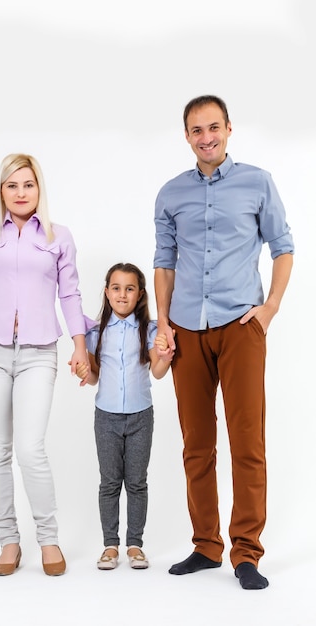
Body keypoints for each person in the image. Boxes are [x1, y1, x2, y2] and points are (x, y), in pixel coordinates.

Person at [153, 95, 294, 590]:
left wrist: (270, 308)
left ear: (229, 129)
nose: (206, 136)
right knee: (197, 445)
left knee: (247, 442)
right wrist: (164, 325)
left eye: (214, 127)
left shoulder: (258, 182)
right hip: (187, 330)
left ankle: (247, 553)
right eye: (196, 130)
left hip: (241, 326)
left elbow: (283, 247)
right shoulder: (171, 194)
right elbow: (164, 263)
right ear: (187, 136)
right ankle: (206, 546)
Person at [0, 153, 92, 577]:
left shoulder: (58, 236)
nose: (20, 193)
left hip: (38, 353)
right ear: (1, 190)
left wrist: (80, 345)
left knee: (30, 449)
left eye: (27, 185)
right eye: (12, 185)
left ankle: (48, 540)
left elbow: (69, 295)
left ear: (38, 189)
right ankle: (8, 542)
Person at [73, 262, 172, 570]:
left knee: (137, 482)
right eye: (116, 288)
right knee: (110, 482)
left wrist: (166, 356)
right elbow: (92, 378)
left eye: (130, 289)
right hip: (107, 418)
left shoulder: (151, 330)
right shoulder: (94, 333)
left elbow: (157, 373)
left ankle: (135, 545)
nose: (122, 295)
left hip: (141, 416)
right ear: (106, 292)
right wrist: (83, 370)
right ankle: (110, 546)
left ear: (140, 294)